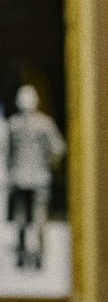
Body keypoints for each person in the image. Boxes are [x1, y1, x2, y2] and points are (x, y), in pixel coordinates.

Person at [7, 85, 65, 270]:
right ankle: (37, 256)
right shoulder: (44, 123)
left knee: (23, 218)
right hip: (38, 177)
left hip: (20, 177)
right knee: (33, 218)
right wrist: (49, 164)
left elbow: (7, 153)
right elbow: (58, 148)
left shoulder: (13, 124)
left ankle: (24, 256)